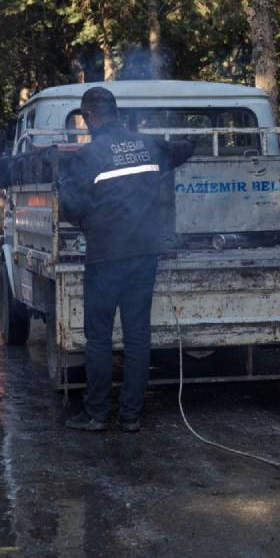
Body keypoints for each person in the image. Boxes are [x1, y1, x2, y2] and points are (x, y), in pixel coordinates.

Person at [58, 87, 194, 433]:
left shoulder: (87, 156)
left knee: (100, 338)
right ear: (117, 113)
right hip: (145, 253)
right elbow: (183, 149)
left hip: (105, 257)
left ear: (89, 117)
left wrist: (89, 221)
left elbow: (71, 208)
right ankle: (131, 416)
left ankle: (97, 414)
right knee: (137, 335)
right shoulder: (148, 145)